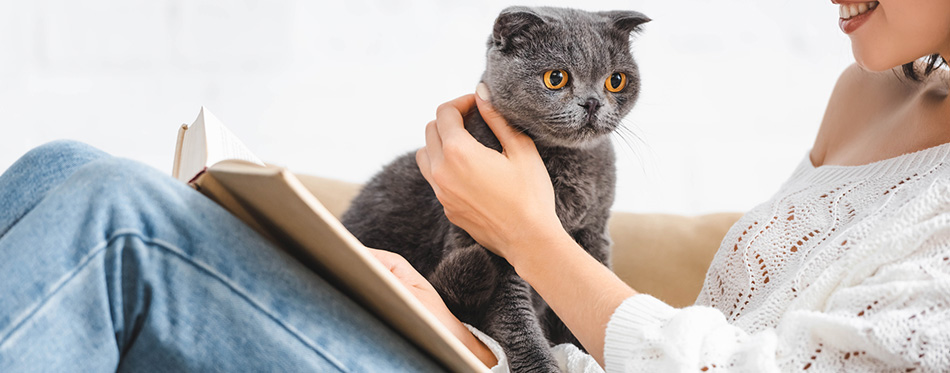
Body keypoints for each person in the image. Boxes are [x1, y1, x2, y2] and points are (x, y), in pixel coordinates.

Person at [1, 1, 948, 372]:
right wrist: (445, 308)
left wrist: (528, 232)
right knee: (65, 166)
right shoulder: (869, 94)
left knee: (110, 219)